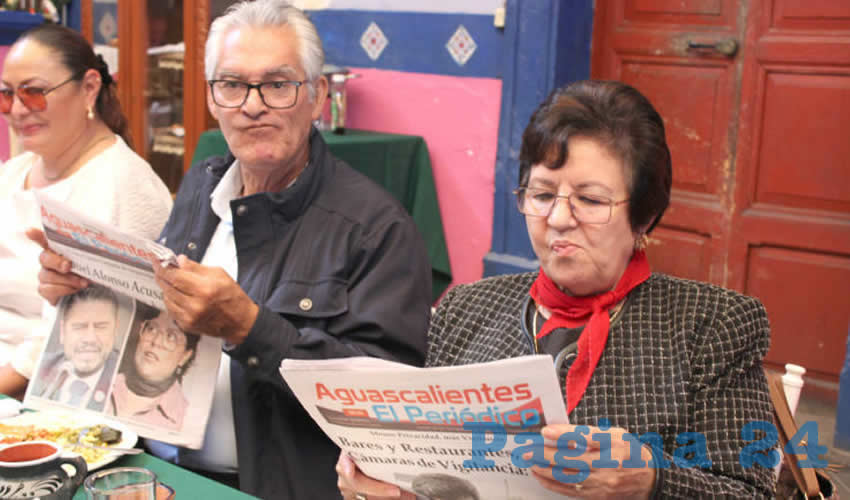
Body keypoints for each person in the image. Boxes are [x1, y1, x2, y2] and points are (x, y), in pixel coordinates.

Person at [32, 1, 432, 497]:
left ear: (317, 95)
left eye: (278, 84)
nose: (252, 104)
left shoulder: (376, 229)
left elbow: (388, 407)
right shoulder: (202, 188)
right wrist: (82, 291)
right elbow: (152, 323)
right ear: (212, 98)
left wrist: (251, 329)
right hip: (150, 469)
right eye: (233, 85)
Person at [338, 80, 775, 499]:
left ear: (643, 218)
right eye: (542, 194)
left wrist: (651, 481)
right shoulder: (467, 308)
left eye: (590, 200)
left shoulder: (711, 325)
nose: (559, 218)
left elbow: (748, 491)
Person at [0, 24, 173, 400]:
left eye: (34, 93)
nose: (16, 110)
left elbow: (71, 338)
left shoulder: (121, 186)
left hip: (42, 397)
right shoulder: (15, 173)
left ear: (89, 87)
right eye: (6, 95)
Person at [28, 285, 121, 411]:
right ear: (62, 331)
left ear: (115, 331)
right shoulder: (44, 366)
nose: (90, 339)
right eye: (79, 327)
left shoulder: (124, 384)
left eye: (101, 327)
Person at [109, 304, 200, 431]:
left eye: (171, 337)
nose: (156, 341)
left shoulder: (186, 418)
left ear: (185, 356)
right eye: (151, 329)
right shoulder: (104, 383)